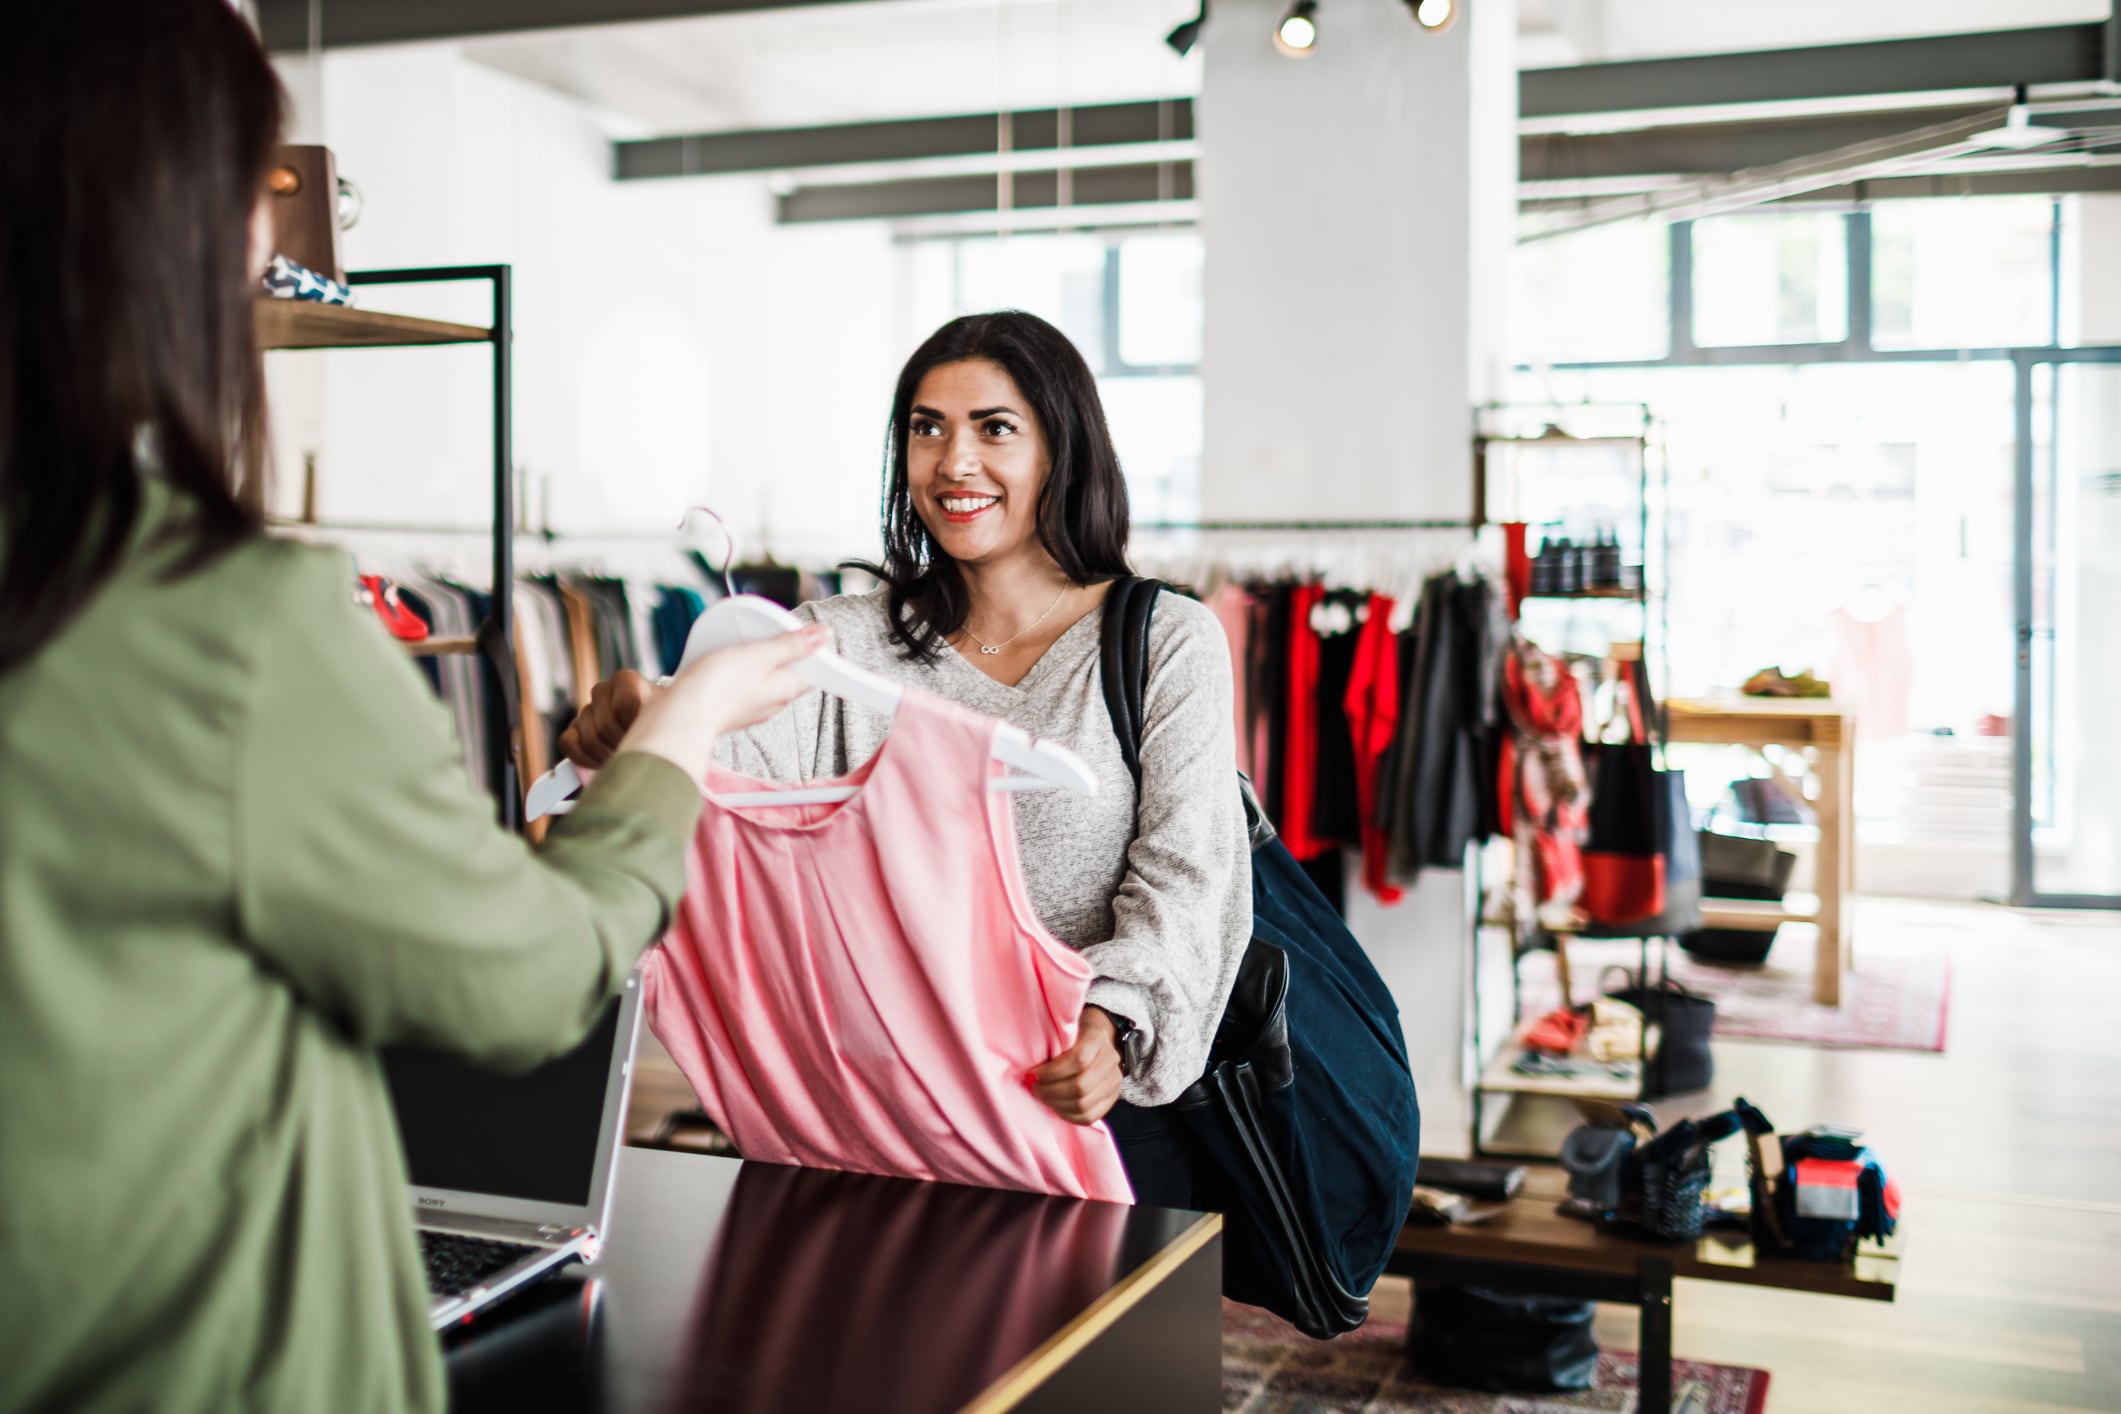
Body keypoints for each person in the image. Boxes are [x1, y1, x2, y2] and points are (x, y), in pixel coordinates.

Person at [0, 5, 825, 1411]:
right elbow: (519, 985)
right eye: (255, 193)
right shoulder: (228, 627)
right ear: (162, 227)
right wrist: (685, 724)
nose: (269, 245)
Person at [561, 310, 1254, 1208]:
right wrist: (648, 724)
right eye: (927, 428)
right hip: (872, 1106)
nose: (953, 463)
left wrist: (1116, 1024)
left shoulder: (1165, 639)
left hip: (1083, 1099)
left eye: (994, 429)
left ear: (1063, 450)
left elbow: (1188, 866)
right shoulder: (835, 643)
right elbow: (733, 757)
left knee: (1092, 1346)